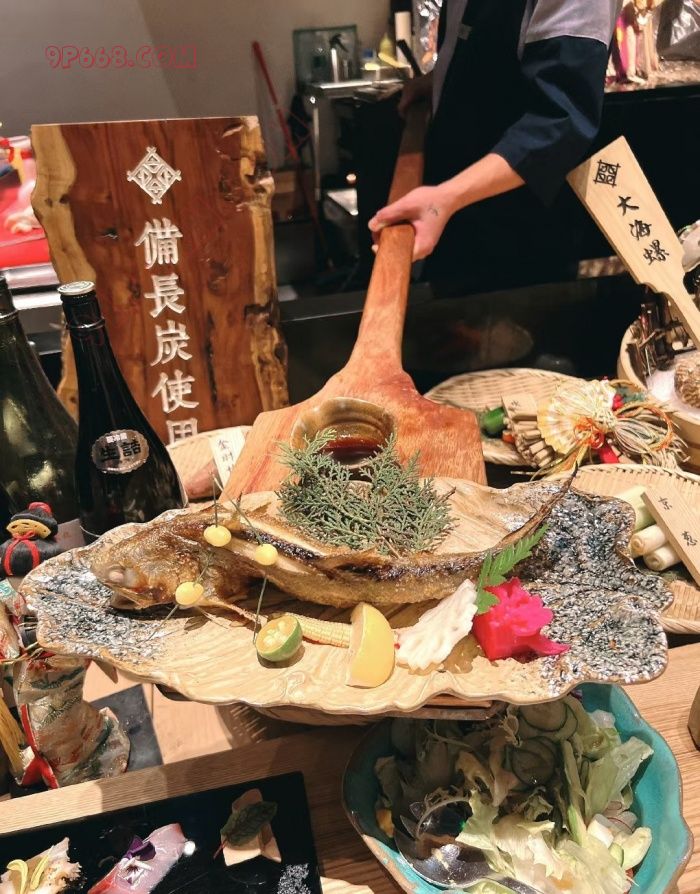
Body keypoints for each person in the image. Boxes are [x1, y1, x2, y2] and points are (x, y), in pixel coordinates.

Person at [369, 0, 621, 293]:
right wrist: (439, 80)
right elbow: (490, 53)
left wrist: (446, 198)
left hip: (520, 234)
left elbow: (561, 120)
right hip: (457, 214)